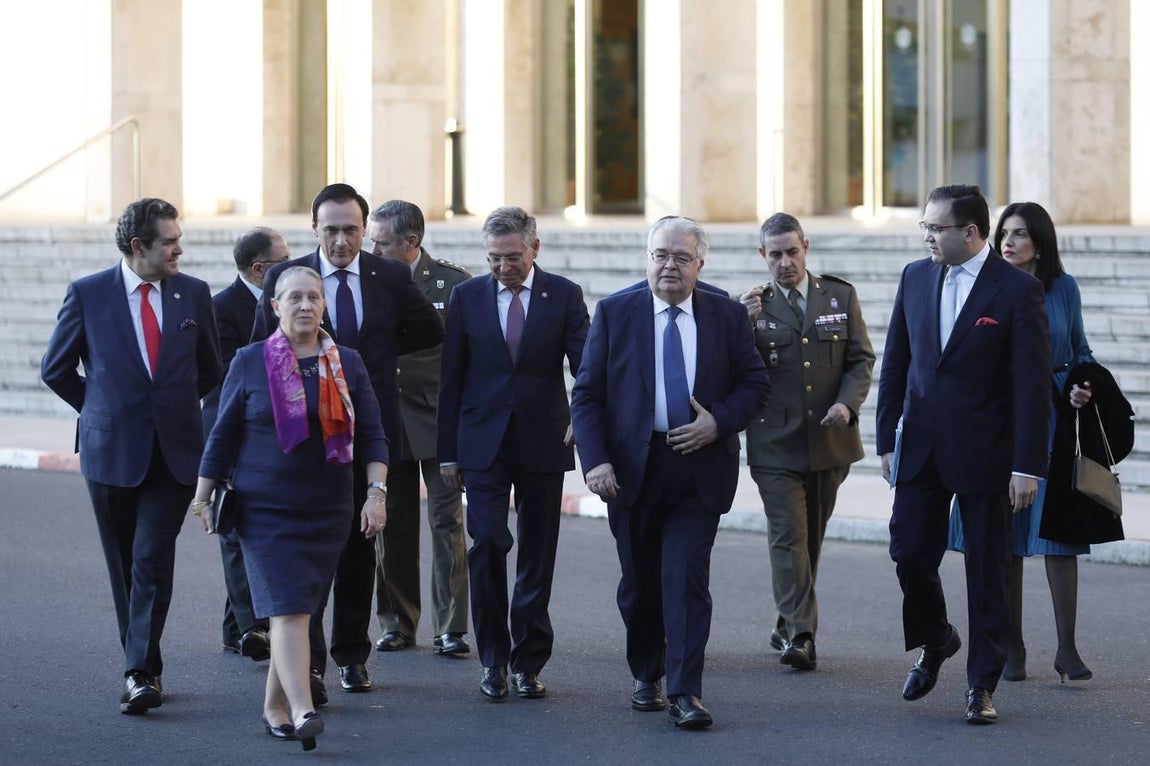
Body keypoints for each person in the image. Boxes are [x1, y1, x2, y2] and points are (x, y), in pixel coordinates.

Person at [570, 216, 770, 729]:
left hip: (698, 469)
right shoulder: (616, 312)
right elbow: (588, 394)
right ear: (647, 259)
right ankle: (647, 672)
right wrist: (595, 461)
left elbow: (754, 385)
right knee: (639, 585)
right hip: (632, 471)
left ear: (700, 263)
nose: (669, 266)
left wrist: (718, 423)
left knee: (685, 581)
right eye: (660, 255)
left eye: (681, 258)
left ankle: (685, 691)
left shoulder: (726, 315)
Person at [252, 184, 443, 701]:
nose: (341, 240)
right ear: (313, 230)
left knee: (360, 551)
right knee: (308, 556)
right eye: (331, 230)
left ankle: (352, 655)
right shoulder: (288, 280)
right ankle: (307, 665)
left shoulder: (389, 276)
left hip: (365, 431)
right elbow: (259, 352)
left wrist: (371, 362)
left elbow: (429, 328)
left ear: (365, 230)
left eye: (351, 230)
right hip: (302, 441)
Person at [876, 185, 1051, 725]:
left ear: (970, 233)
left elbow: (1031, 387)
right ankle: (937, 637)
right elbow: (896, 363)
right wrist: (886, 440)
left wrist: (1027, 467)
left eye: (936, 228)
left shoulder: (1016, 291)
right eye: (924, 227)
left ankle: (981, 685)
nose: (927, 236)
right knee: (908, 551)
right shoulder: (915, 276)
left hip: (988, 455)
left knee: (986, 572)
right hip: (922, 449)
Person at [194, 266, 389, 751]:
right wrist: (202, 494)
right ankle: (303, 709)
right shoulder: (249, 360)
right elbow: (222, 435)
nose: (305, 306)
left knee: (300, 611)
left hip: (327, 509)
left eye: (313, 298)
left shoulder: (348, 362)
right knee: (288, 611)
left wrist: (376, 493)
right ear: (275, 306)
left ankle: (275, 707)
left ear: (324, 305)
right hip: (264, 511)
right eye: (294, 298)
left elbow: (373, 436)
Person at [40, 198, 222, 714]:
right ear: (139, 247)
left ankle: (140, 672)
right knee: (123, 565)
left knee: (150, 559)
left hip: (175, 454)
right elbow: (56, 369)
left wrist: (174, 410)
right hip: (110, 451)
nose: (179, 249)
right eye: (169, 242)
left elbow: (210, 369)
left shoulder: (193, 293)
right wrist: (102, 410)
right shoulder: (88, 293)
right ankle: (141, 665)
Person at [437, 206, 589, 701]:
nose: (503, 267)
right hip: (482, 444)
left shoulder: (564, 295)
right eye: (494, 259)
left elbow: (584, 368)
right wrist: (447, 453)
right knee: (486, 546)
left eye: (512, 257)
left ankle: (528, 661)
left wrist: (584, 423)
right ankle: (493, 659)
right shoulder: (467, 297)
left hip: (545, 439)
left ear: (534, 248)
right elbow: (452, 380)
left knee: (538, 553)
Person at [947, 201, 1096, 683]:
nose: (1008, 242)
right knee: (1005, 538)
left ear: (1041, 243)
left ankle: (1067, 650)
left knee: (1060, 537)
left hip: (1053, 421)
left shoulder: (1063, 288)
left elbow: (1080, 351)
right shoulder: (989, 286)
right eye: (1004, 233)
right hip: (1000, 422)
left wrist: (1080, 383)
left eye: (1020, 235)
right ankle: (1012, 647)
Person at [738, 213, 875, 670]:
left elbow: (860, 359)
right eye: (774, 254)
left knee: (811, 538)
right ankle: (802, 634)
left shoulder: (839, 295)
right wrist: (741, 327)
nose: (784, 262)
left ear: (806, 248)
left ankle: (786, 622)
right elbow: (731, 370)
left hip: (829, 441)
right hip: (774, 441)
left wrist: (848, 404)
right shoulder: (749, 308)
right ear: (762, 256)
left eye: (791, 251)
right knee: (788, 536)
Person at [366, 200, 472, 656]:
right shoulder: (367, 281)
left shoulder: (454, 283)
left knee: (447, 522)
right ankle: (397, 621)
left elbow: (470, 359)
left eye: (381, 242)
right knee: (392, 526)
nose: (371, 248)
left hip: (438, 420)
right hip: (387, 420)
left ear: (411, 243)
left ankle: (450, 627)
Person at [203, 227, 291, 663]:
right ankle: (253, 626)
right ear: (260, 270)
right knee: (235, 530)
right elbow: (221, 381)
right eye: (284, 262)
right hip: (233, 431)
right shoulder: (220, 309)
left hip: (271, 434)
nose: (293, 269)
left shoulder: (285, 302)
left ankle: (234, 628)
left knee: (247, 530)